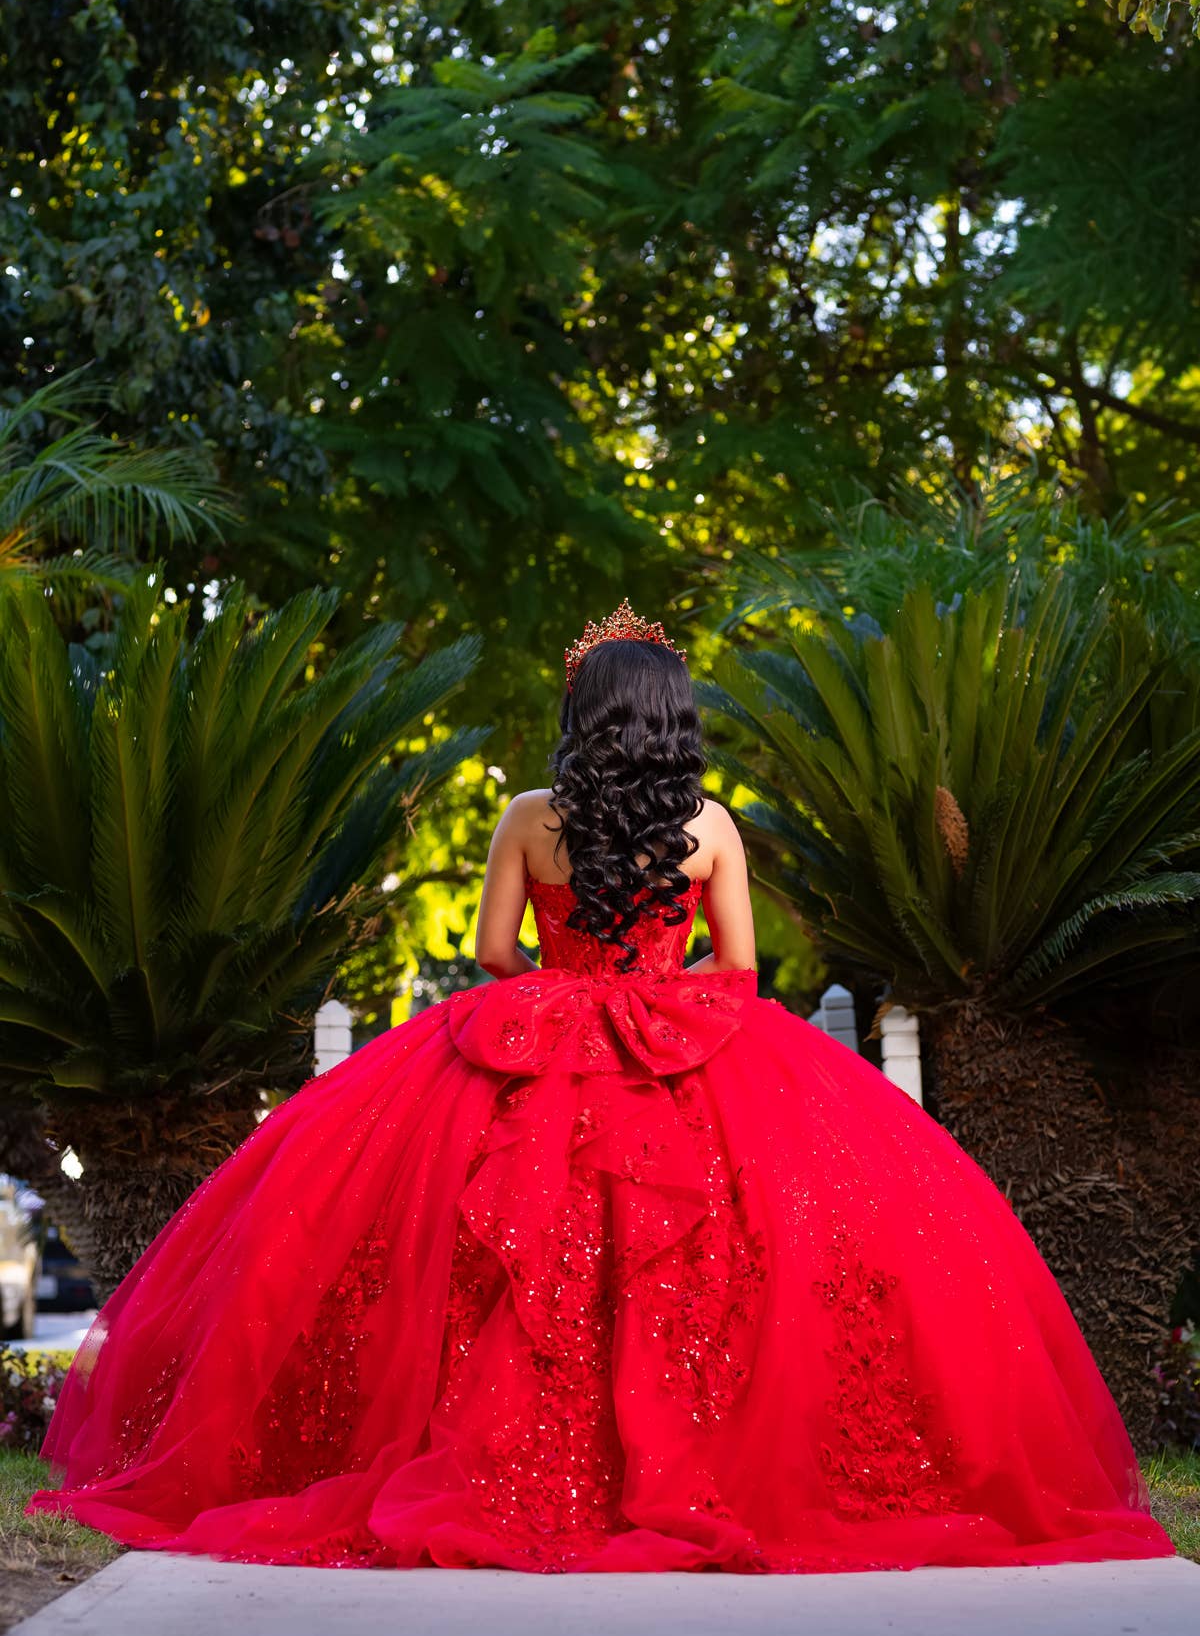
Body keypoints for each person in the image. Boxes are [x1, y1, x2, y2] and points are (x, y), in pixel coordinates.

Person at [25, 600, 1176, 1573]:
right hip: (682, 1039)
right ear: (673, 724)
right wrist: (654, 999)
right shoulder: (710, 824)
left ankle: (511, 1461)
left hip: (539, 1031)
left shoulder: (533, 817)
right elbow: (738, 968)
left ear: (584, 721)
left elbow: (487, 953)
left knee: (492, 1250)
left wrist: (561, 990)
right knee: (737, 1253)